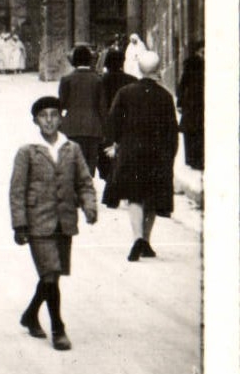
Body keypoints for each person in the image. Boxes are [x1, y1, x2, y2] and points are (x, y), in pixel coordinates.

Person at [10, 95, 98, 351]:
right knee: (49, 273)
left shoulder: (72, 149)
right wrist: (19, 224)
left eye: (54, 115)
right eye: (43, 116)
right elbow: (17, 190)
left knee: (53, 274)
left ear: (61, 118)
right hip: (38, 222)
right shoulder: (27, 151)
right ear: (35, 121)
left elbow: (84, 182)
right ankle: (58, 328)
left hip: (64, 221)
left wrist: (89, 205)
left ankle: (30, 314)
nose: (49, 120)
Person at [102, 48, 179, 262]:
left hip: (131, 152)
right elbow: (171, 130)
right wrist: (170, 155)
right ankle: (146, 239)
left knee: (134, 196)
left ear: (139, 69)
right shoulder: (165, 96)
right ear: (158, 69)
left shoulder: (126, 92)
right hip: (157, 154)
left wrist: (114, 145)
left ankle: (137, 238)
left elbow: (113, 122)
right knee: (151, 197)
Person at [57, 44, 108, 177]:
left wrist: (62, 125)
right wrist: (105, 130)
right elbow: (102, 107)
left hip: (71, 128)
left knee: (72, 167)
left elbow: (61, 104)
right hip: (93, 128)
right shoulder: (98, 80)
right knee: (88, 170)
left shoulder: (66, 80)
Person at [176, 43, 205, 171]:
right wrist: (180, 102)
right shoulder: (191, 64)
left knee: (200, 131)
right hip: (192, 102)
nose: (204, 54)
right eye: (202, 51)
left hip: (202, 101)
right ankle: (191, 159)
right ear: (197, 52)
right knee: (191, 131)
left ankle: (199, 159)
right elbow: (182, 84)